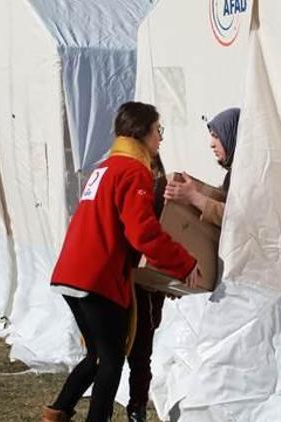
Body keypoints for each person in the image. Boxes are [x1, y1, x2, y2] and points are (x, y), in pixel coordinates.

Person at [44, 102, 201, 422]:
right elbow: (143, 233)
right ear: (142, 133)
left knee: (99, 355)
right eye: (158, 131)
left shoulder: (106, 166)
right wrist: (184, 264)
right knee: (112, 359)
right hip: (95, 275)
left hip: (72, 272)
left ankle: (57, 412)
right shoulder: (133, 170)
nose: (160, 139)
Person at [125, 155, 168, 422]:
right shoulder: (127, 185)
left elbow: (166, 233)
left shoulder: (161, 188)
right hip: (128, 277)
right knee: (127, 347)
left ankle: (137, 406)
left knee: (143, 347)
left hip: (151, 277)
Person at [164, 107, 240, 227]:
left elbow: (239, 219)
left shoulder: (251, 178)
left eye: (216, 136)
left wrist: (193, 196)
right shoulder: (233, 176)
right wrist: (198, 192)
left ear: (232, 135)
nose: (212, 144)